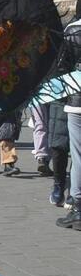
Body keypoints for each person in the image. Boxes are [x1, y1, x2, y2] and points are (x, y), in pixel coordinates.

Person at [56, 16, 81, 230]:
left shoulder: (73, 30)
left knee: (78, 155)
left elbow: (61, 67)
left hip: (77, 103)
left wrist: (65, 96)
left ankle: (78, 206)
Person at [29, 103, 54, 176]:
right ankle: (43, 159)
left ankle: (42, 159)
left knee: (40, 125)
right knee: (48, 125)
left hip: (37, 97)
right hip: (50, 96)